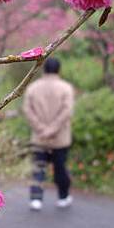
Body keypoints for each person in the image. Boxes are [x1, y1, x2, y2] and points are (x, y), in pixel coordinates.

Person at [22, 57, 76, 211]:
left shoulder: (33, 88)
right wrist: (52, 129)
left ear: (44, 69)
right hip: (60, 139)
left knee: (38, 168)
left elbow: (27, 110)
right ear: (59, 70)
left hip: (39, 138)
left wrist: (41, 129)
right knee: (60, 169)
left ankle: (36, 199)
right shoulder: (65, 88)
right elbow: (67, 112)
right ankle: (63, 197)